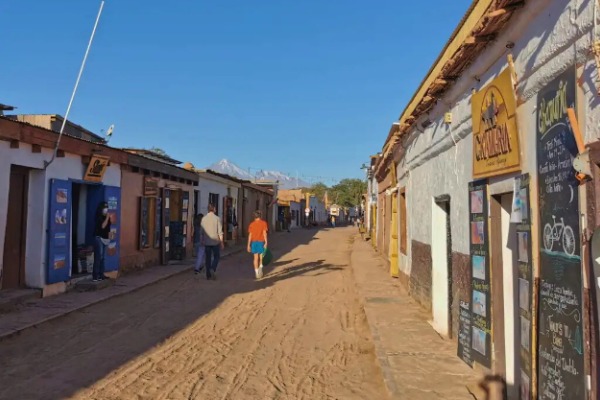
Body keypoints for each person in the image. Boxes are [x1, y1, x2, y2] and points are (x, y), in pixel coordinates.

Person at [201, 204, 224, 280]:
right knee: (216, 256)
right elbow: (220, 232)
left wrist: (202, 240)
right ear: (214, 209)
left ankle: (208, 275)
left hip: (207, 242)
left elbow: (202, 232)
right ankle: (213, 268)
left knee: (207, 258)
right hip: (215, 242)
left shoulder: (203, 219)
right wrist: (222, 242)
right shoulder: (217, 218)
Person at [247, 210, 268, 280]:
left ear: (254, 216)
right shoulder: (263, 223)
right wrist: (266, 242)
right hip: (260, 242)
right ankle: (261, 267)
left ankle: (256, 273)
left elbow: (250, 235)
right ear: (260, 216)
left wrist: (248, 245)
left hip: (253, 242)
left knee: (255, 258)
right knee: (261, 256)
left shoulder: (251, 224)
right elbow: (264, 233)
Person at [93, 201, 111, 282]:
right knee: (98, 257)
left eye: (107, 208)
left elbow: (108, 228)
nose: (106, 209)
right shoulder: (99, 217)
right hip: (99, 238)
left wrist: (110, 237)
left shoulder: (108, 217)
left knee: (103, 257)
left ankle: (101, 274)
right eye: (104, 208)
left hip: (106, 239)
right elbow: (103, 226)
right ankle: (95, 275)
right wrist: (107, 217)